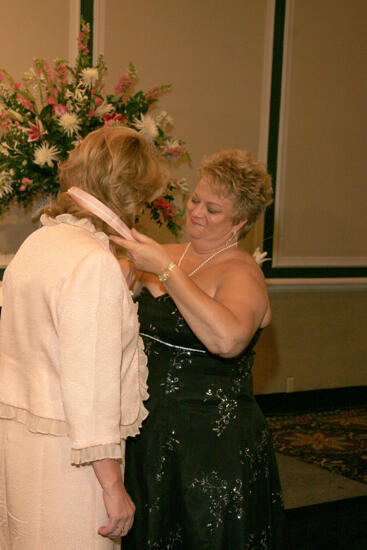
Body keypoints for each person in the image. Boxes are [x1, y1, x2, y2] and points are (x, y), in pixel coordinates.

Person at [111, 148, 288, 549]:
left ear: (240, 222)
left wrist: (165, 271)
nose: (195, 213)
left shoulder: (243, 272)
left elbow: (226, 340)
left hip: (211, 446)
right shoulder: (167, 254)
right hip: (148, 434)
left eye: (213, 209)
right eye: (195, 199)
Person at [0, 126, 166, 550]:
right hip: (72, 462)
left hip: (23, 444)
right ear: (128, 193)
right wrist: (113, 487)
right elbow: (90, 391)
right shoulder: (92, 262)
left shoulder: (40, 241)